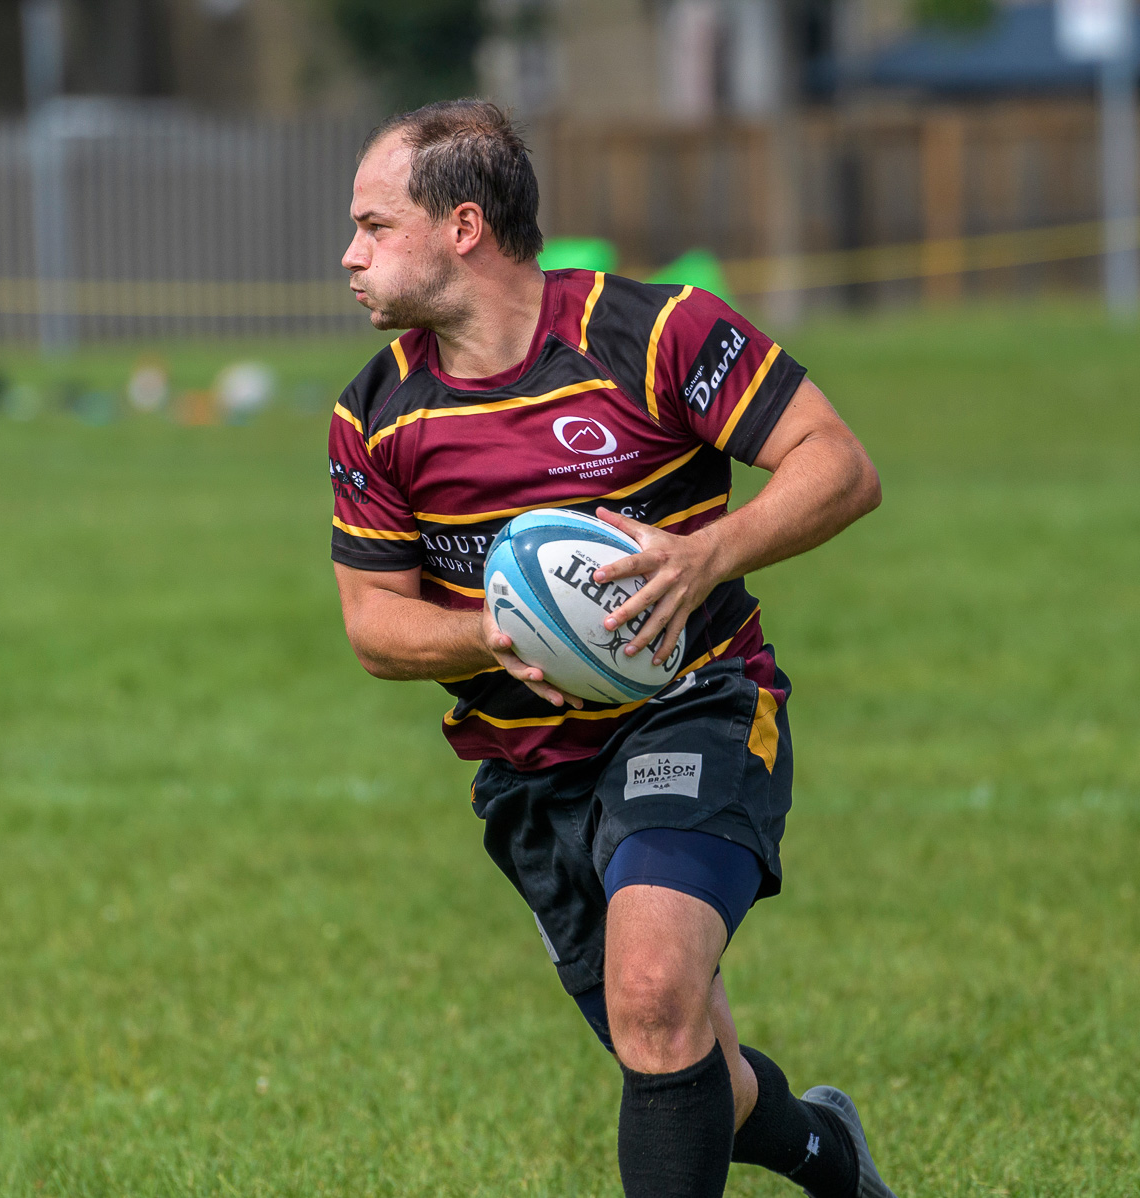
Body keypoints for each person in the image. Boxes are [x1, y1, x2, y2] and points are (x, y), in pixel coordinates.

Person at [329, 100, 892, 1198]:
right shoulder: (377, 413)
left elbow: (839, 463)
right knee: (679, 1057)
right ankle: (829, 1154)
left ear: (461, 226)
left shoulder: (657, 331)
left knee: (652, 993)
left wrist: (703, 554)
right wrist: (488, 630)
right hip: (532, 773)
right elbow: (372, 625)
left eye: (371, 224)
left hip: (695, 702)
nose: (349, 255)